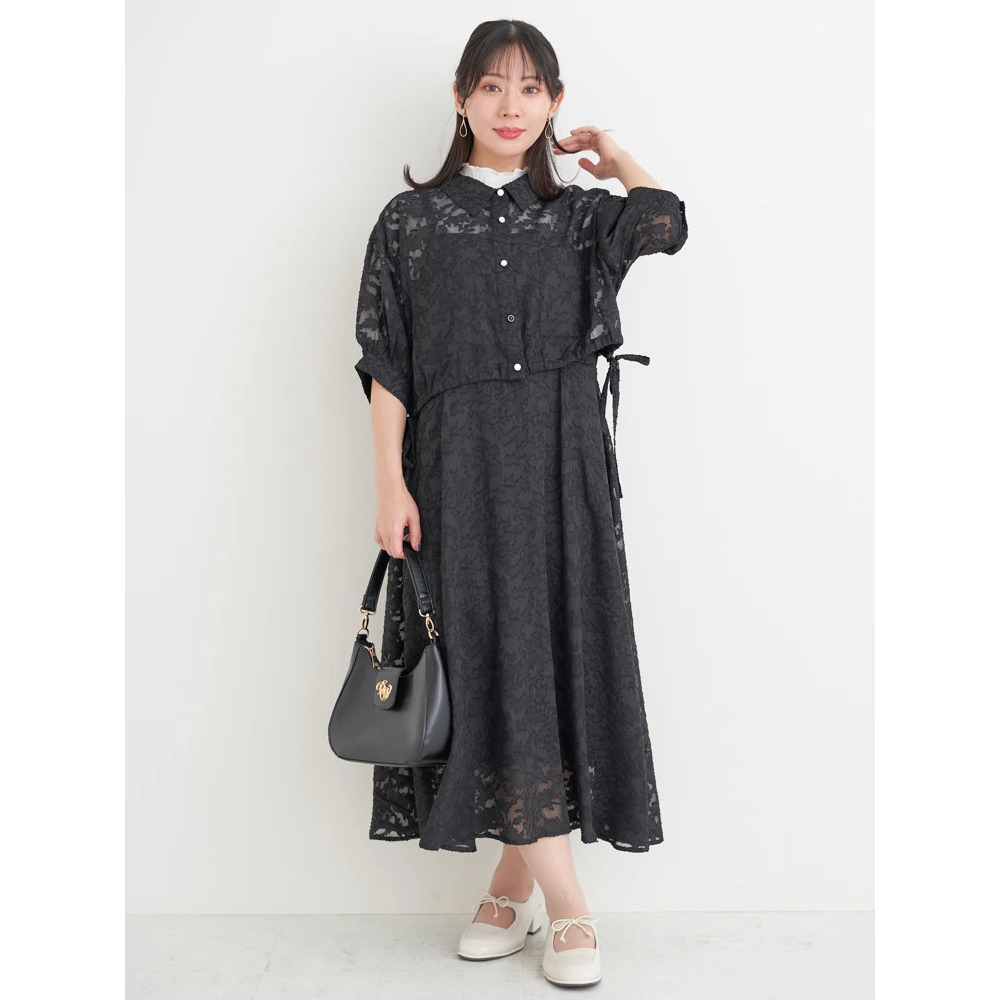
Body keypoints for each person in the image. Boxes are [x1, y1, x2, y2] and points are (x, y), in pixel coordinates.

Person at [351, 19, 689, 986]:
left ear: (555, 103)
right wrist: (389, 481)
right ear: (461, 97)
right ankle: (565, 901)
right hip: (456, 473)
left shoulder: (578, 217)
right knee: (488, 659)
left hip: (561, 465)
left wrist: (612, 156)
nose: (511, 106)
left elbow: (665, 222)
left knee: (550, 660)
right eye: (492, 87)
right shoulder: (411, 222)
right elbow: (386, 362)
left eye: (531, 89)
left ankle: (517, 887)